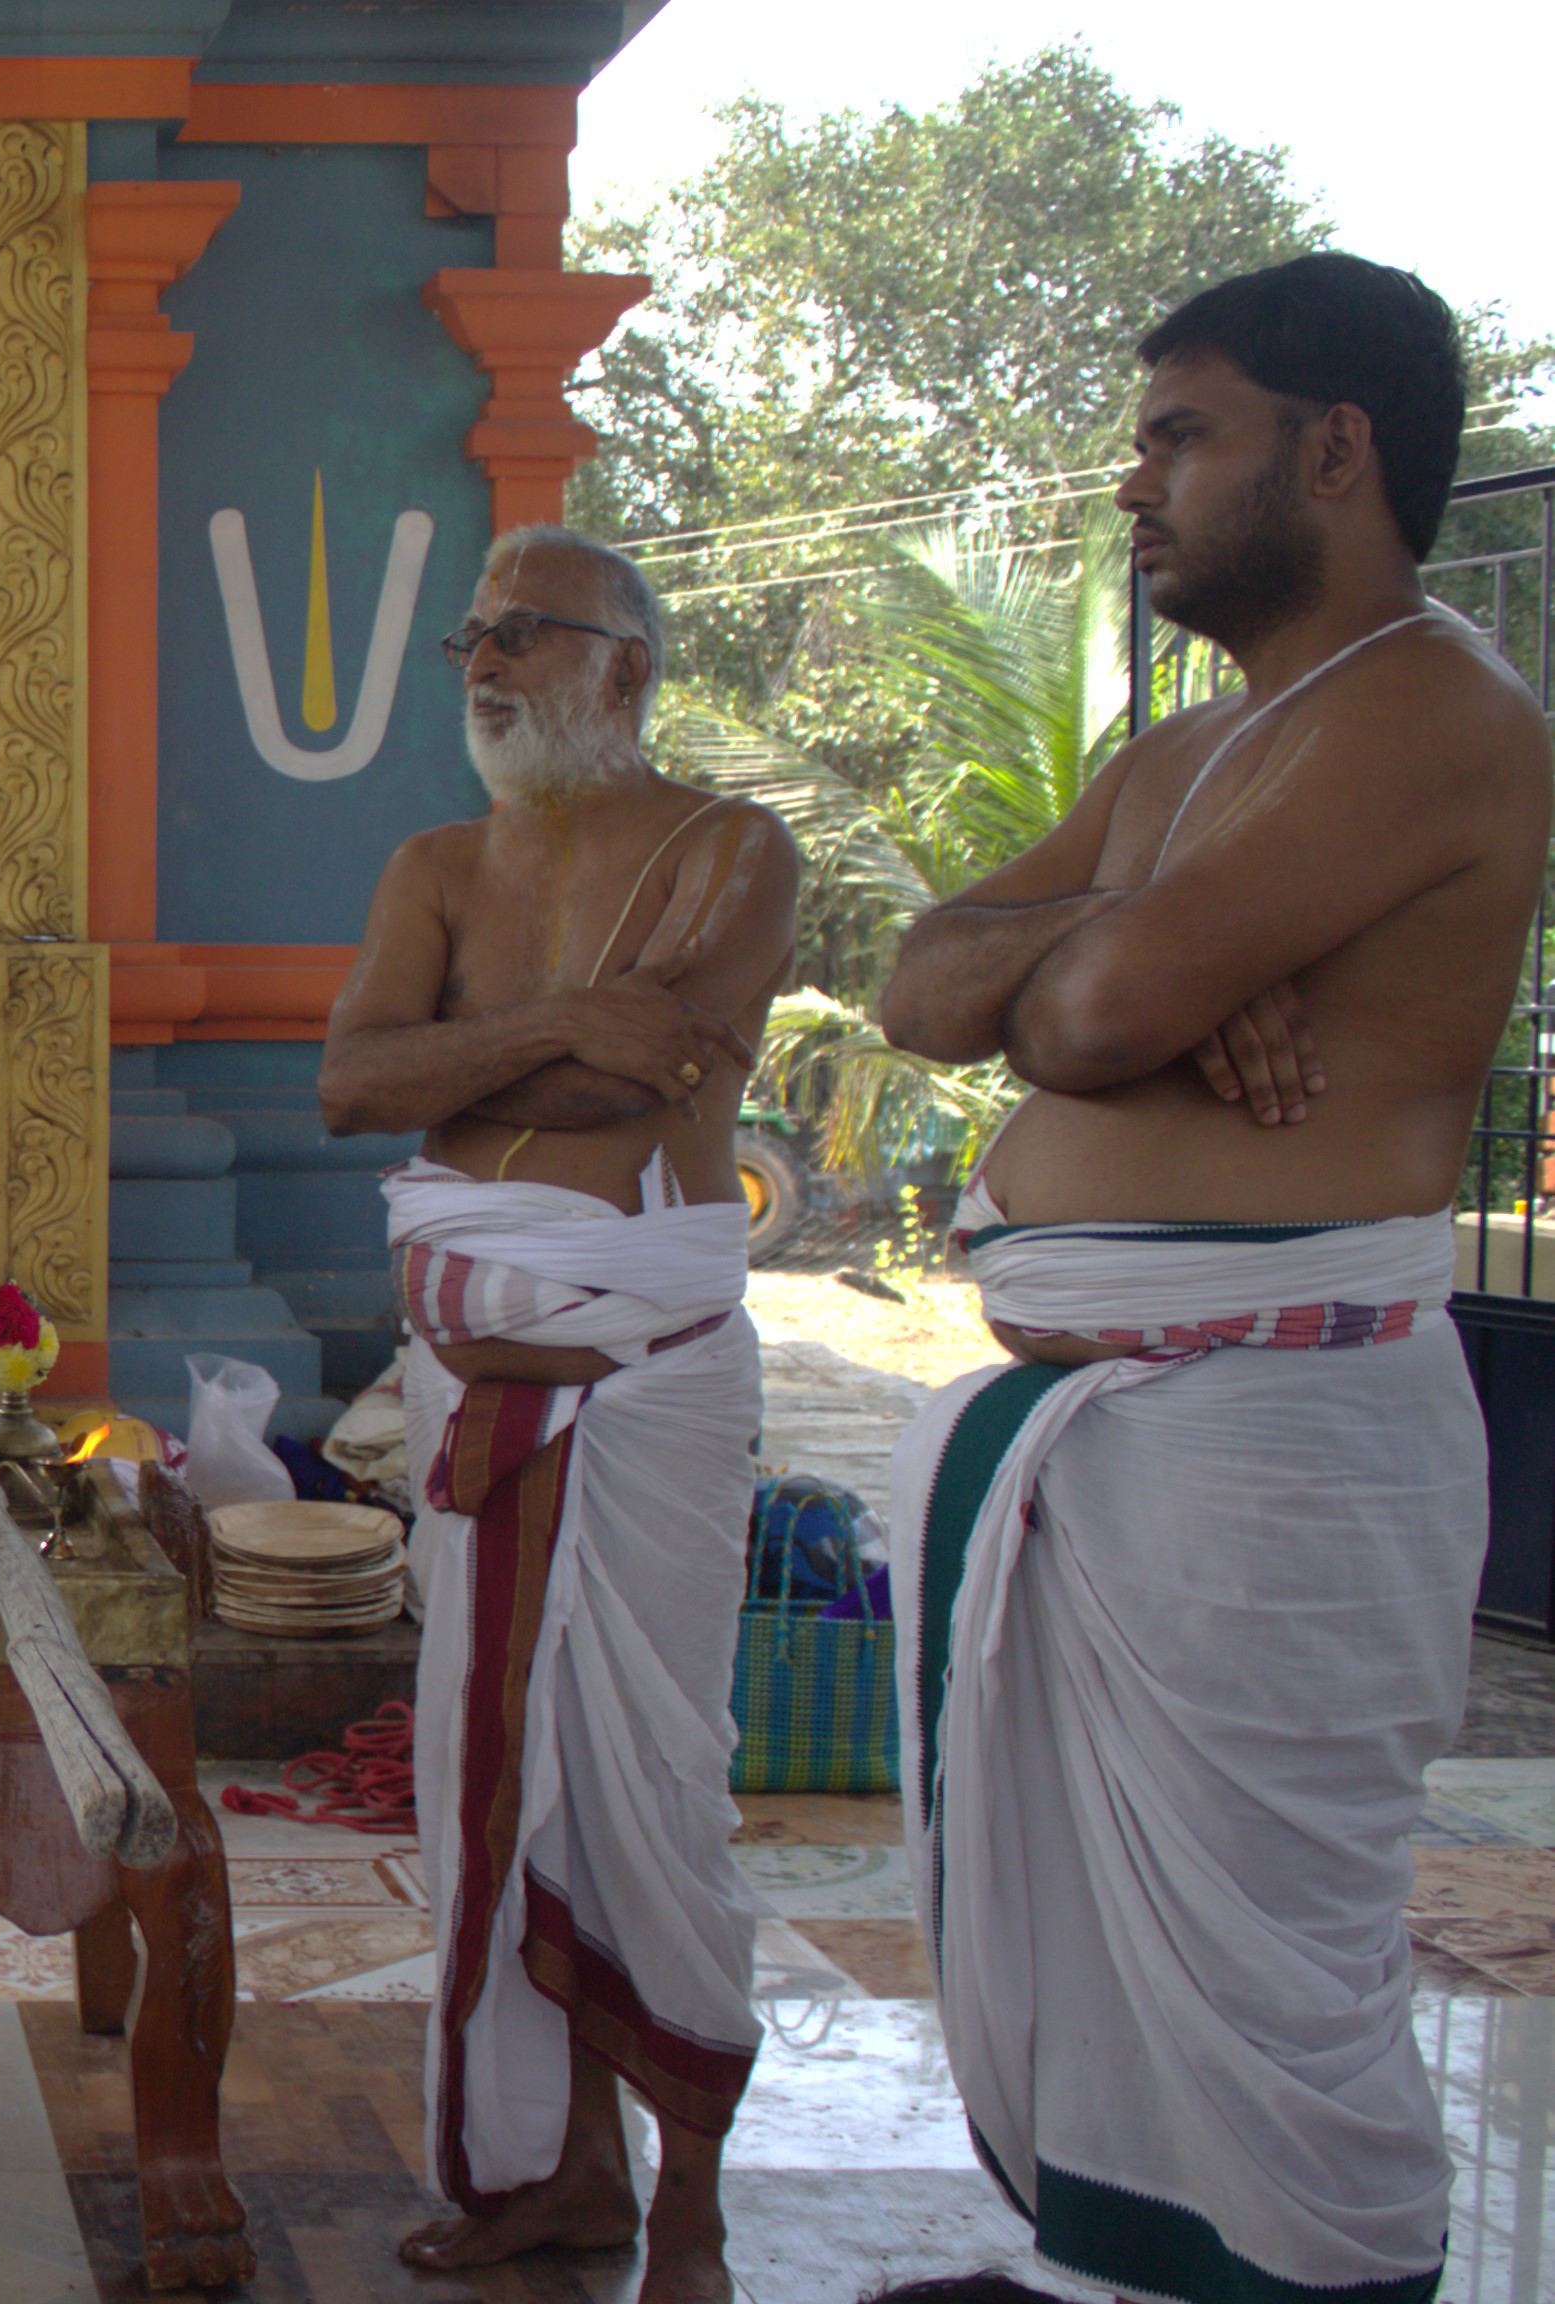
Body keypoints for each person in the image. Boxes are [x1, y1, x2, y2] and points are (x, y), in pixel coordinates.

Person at [877, 252, 1546, 2304]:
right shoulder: (1184, 766)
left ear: (1334, 451)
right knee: (1096, 1955)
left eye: (1181, 435)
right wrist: (1151, 930)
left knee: (1268, 1977)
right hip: (1115, 1434)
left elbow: (1086, 1017)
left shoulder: (1439, 709)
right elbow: (929, 985)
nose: (1132, 487)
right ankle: (1114, 2281)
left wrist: (1119, 956)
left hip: (1274, 1437)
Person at [319, 525, 800, 2304]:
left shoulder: (734, 851)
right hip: (477, 1382)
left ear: (630, 665)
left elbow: (641, 1071)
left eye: (527, 632)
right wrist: (562, 1024)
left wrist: (488, 1047)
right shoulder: (438, 862)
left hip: (651, 1386)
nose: (485, 662)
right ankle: (566, 2177)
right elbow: (351, 1082)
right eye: (472, 635)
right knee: (492, 1786)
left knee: (652, 1788)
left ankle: (691, 2206)